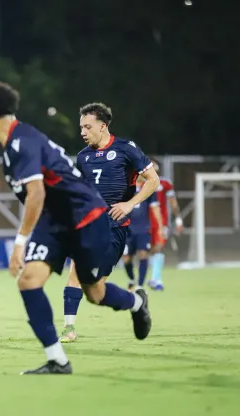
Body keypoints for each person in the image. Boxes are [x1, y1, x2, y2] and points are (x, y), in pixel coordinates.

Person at [0, 81, 152, 374]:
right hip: (56, 221)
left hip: (86, 218)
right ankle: (58, 360)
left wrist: (20, 243)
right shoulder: (14, 144)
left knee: (95, 293)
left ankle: (135, 303)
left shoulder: (22, 142)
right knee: (29, 280)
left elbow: (37, 194)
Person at [59, 103, 159, 343]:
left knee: (94, 291)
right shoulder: (83, 157)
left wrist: (129, 204)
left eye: (88, 127)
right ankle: (68, 329)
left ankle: (136, 302)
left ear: (102, 126)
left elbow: (152, 180)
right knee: (75, 272)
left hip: (114, 229)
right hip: (88, 226)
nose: (82, 132)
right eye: (81, 127)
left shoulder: (126, 149)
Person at [148, 159, 184, 291]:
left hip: (161, 222)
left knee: (159, 247)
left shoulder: (164, 183)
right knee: (149, 250)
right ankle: (149, 278)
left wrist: (178, 219)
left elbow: (173, 202)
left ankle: (156, 279)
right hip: (143, 223)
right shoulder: (138, 182)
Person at [124, 177, 163, 290]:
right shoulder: (126, 188)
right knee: (126, 258)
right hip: (128, 230)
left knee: (143, 254)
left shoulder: (149, 189)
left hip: (143, 229)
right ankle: (132, 279)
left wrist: (160, 227)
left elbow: (155, 209)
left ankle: (140, 285)